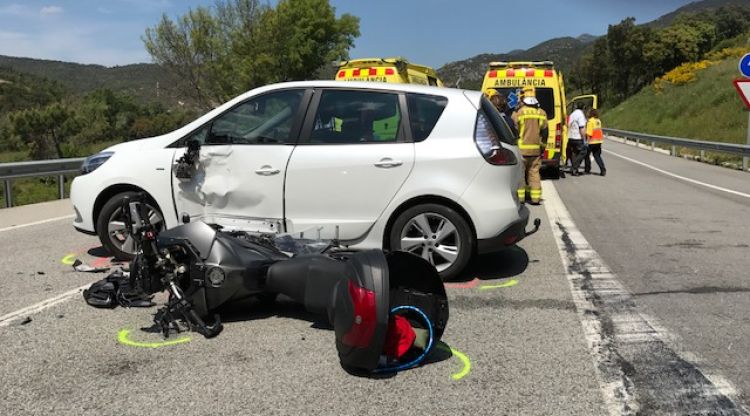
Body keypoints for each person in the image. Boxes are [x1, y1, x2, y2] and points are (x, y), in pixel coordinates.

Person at [512, 87, 548, 205]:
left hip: (521, 150)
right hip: (536, 151)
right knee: (534, 173)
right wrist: (542, 146)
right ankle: (536, 198)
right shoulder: (542, 113)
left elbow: (513, 130)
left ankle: (521, 199)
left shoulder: (518, 113)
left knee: (520, 174)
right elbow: (545, 132)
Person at [567, 102, 588, 176]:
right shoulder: (580, 115)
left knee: (574, 153)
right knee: (583, 151)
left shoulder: (572, 114)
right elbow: (581, 127)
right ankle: (574, 168)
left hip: (570, 137)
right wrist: (584, 139)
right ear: (584, 108)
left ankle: (574, 169)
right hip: (577, 137)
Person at [584, 108, 606, 176]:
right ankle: (603, 170)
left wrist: (586, 142)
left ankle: (587, 169)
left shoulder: (590, 122)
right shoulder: (598, 121)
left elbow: (589, 133)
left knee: (586, 155)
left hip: (592, 142)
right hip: (599, 141)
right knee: (597, 156)